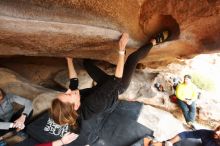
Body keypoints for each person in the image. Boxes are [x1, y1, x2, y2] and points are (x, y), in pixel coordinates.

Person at [24, 31, 170, 146]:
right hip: (115, 88)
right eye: (68, 95)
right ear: (75, 106)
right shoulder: (94, 103)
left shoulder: (74, 104)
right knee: (132, 58)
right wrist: (121, 51)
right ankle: (154, 41)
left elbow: (73, 82)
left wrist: (69, 60)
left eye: (66, 93)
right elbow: (116, 80)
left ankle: (114, 60)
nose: (68, 91)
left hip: (103, 85)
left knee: (87, 63)